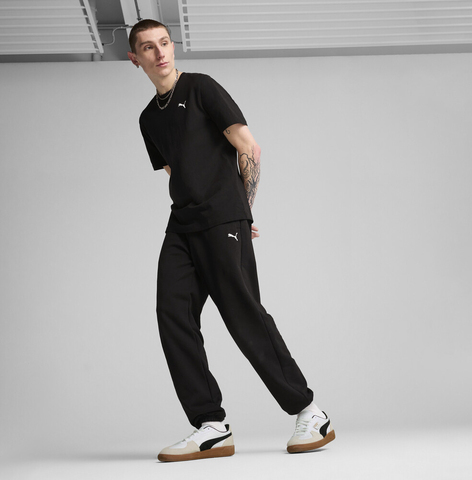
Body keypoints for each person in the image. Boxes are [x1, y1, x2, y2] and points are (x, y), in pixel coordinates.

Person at [127, 19, 335, 463]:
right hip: (182, 225)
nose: (160, 53)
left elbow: (248, 147)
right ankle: (211, 425)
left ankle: (310, 412)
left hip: (222, 217)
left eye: (164, 43)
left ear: (173, 47)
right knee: (173, 315)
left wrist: (243, 209)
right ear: (135, 59)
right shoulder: (148, 119)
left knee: (242, 314)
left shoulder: (201, 87)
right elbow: (176, 170)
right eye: (148, 47)